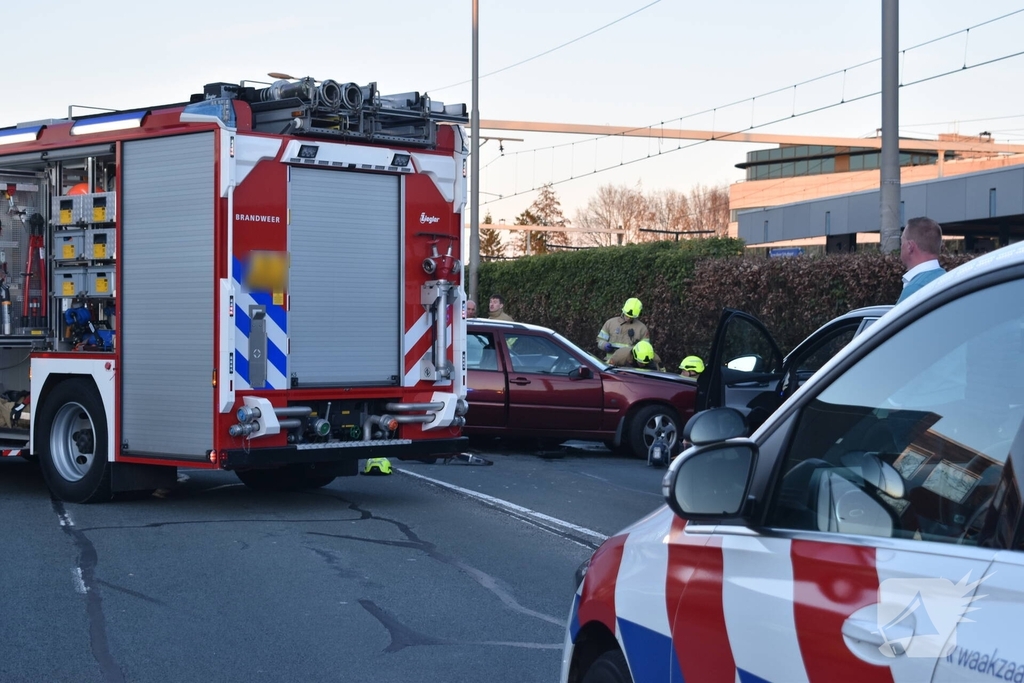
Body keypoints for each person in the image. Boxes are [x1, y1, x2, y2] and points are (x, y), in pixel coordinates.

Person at [897, 216, 945, 304]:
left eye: (902, 242)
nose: (901, 246)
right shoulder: (948, 278)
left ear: (909, 246)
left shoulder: (915, 289)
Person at [597, 297, 649, 361]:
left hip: (630, 364)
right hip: (610, 363)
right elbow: (599, 340)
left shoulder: (642, 328)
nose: (628, 318)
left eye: (631, 317)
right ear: (623, 311)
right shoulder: (610, 323)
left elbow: (646, 348)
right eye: (627, 315)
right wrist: (604, 345)